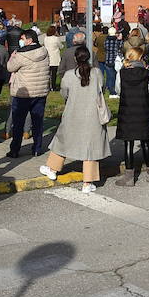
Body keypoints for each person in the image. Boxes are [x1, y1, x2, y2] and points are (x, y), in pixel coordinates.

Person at [39, 46, 109, 193]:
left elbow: (64, 93)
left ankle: (52, 169)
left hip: (73, 113)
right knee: (91, 148)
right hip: (93, 115)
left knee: (63, 141)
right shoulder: (96, 73)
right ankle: (87, 183)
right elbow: (101, 88)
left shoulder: (69, 75)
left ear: (75, 58)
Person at [115, 47, 149, 185]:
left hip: (127, 109)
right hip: (142, 109)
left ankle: (129, 176)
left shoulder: (122, 73)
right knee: (146, 141)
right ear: (139, 58)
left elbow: (118, 89)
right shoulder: (146, 73)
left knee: (128, 143)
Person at [6, 29, 51, 158]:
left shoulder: (21, 55)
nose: (21, 41)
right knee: (37, 122)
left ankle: (15, 149)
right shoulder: (44, 51)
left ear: (29, 40)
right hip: (40, 92)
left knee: (18, 123)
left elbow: (10, 67)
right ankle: (37, 148)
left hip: (23, 93)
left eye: (23, 38)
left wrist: (13, 55)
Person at [43, 25, 64, 91]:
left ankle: (48, 86)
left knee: (48, 74)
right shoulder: (56, 39)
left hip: (48, 57)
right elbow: (61, 46)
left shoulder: (45, 38)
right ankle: (53, 86)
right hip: (55, 58)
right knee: (54, 74)